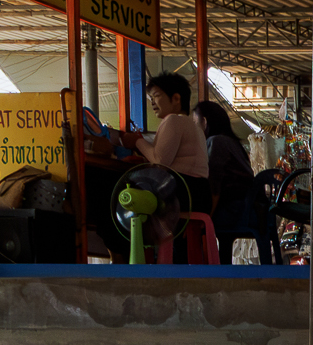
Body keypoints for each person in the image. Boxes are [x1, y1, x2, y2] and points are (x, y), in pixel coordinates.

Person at [115, 71, 210, 213]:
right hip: (200, 194)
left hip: (183, 192)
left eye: (157, 96)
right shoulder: (193, 126)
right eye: (151, 97)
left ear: (176, 98)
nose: (152, 102)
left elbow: (160, 162)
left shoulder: (173, 120)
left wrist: (137, 141)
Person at [194, 99, 275, 264]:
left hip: (239, 211)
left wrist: (206, 218)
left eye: (195, 123)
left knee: (191, 222)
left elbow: (214, 187)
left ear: (204, 122)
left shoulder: (216, 142)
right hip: (254, 209)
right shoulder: (232, 142)